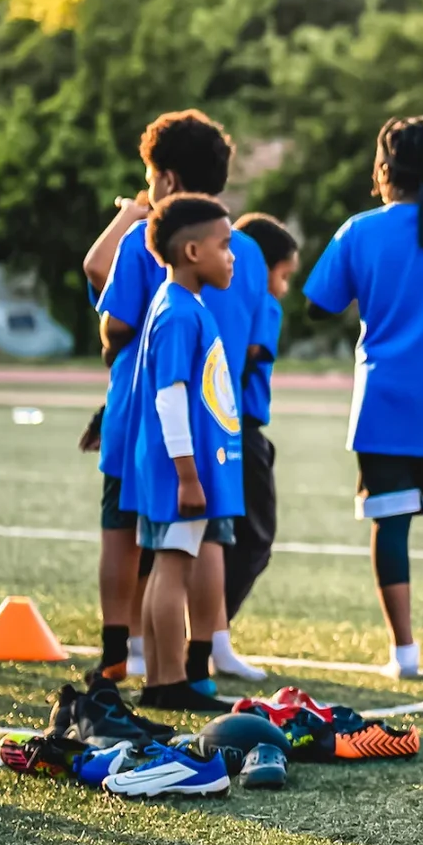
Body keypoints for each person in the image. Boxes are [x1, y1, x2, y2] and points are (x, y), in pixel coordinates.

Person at [81, 110, 269, 690]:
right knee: (204, 540)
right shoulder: (249, 250)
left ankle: (127, 649)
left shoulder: (148, 241)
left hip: (149, 417)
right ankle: (203, 653)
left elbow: (112, 322)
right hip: (217, 418)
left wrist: (128, 218)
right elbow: (255, 340)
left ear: (163, 176)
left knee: (133, 533)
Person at [303, 116, 423, 678]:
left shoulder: (359, 231)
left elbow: (318, 304)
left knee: (390, 525)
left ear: (383, 170)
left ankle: (405, 654)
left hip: (383, 403)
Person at [115, 195, 245, 713]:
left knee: (168, 562)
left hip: (178, 469)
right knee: (172, 565)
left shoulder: (186, 306)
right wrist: (188, 475)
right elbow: (169, 398)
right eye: (225, 245)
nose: (232, 256)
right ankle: (167, 680)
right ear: (192, 251)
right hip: (178, 471)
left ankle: (163, 676)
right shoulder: (177, 313)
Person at [220, 213, 300, 659]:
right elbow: (250, 355)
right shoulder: (263, 303)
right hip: (241, 430)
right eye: (284, 275)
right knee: (254, 539)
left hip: (224, 427)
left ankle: (207, 633)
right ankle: (214, 632)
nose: (284, 288)